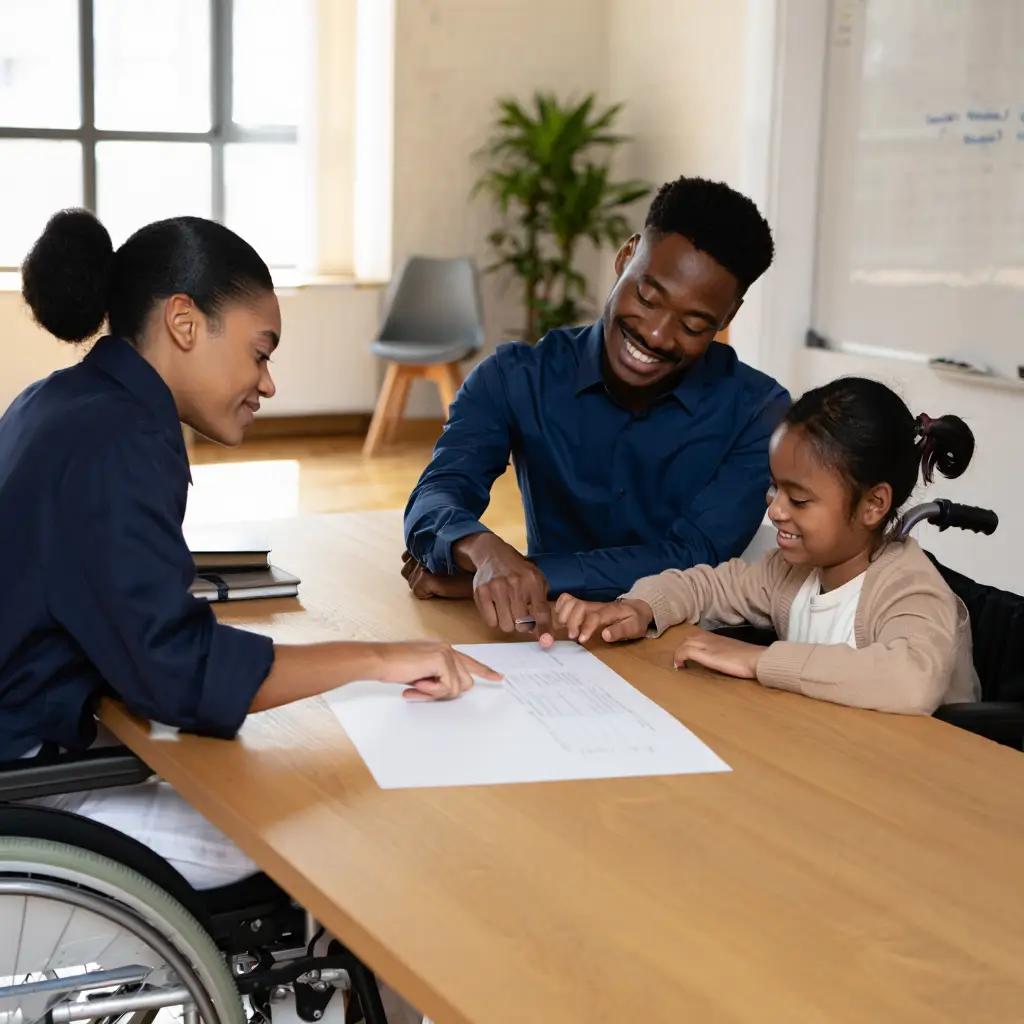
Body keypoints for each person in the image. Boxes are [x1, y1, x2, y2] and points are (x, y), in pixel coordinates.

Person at [0, 209, 500, 896]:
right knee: (320, 826)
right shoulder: (120, 442)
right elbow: (177, 675)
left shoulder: (59, 402)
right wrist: (378, 659)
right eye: (260, 353)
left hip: (26, 731)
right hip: (27, 778)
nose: (267, 383)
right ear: (184, 323)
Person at [402, 175, 790, 641]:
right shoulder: (514, 377)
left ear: (728, 317)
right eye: (648, 298)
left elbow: (692, 555)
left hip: (692, 646)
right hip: (553, 643)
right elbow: (436, 496)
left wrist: (526, 576)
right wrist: (479, 549)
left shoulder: (758, 413)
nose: (657, 335)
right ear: (626, 256)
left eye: (693, 324)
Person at [555, 377, 982, 716]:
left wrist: (758, 661)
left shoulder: (909, 589)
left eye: (797, 499)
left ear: (873, 504)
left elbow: (911, 683)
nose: (775, 510)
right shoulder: (790, 571)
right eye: (774, 488)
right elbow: (708, 587)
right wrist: (640, 607)